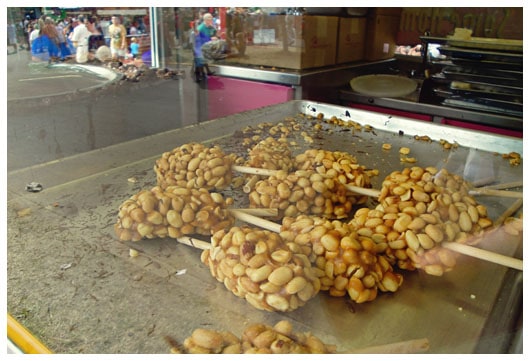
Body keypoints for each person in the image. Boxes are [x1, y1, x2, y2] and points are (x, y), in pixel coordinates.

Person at [193, 13, 217, 81]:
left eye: (212, 18)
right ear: (206, 20)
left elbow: (210, 34)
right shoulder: (200, 28)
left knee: (204, 60)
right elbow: (198, 39)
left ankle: (206, 72)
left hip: (204, 46)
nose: (212, 20)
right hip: (199, 47)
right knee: (200, 62)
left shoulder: (208, 26)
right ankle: (199, 76)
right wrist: (210, 39)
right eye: (210, 18)